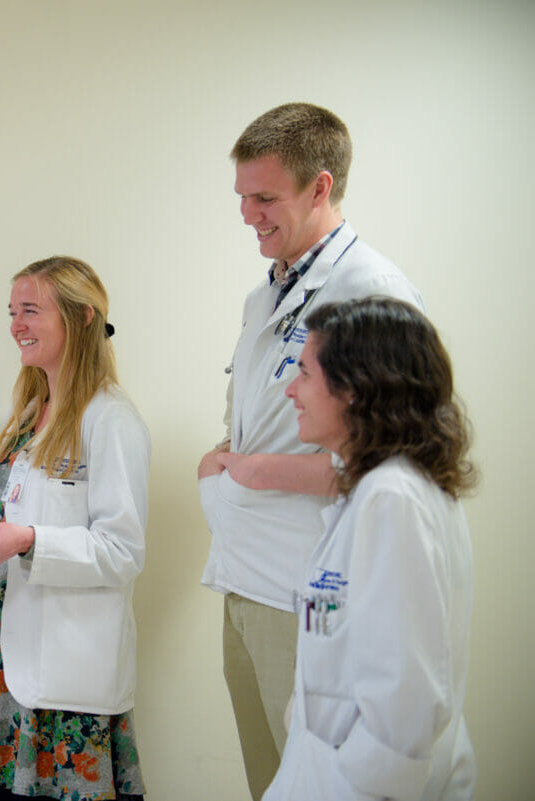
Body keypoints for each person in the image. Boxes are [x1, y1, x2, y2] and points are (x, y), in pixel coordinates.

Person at [196, 102, 424, 800]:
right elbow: (264, 417)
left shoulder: (371, 293)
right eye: (241, 197)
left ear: (320, 187)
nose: (248, 214)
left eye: (265, 197)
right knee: (268, 784)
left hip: (310, 592)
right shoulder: (263, 297)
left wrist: (257, 469)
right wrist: (228, 454)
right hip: (245, 582)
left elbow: (402, 462)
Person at [0, 256, 150, 801]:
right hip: (5, 664)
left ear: (82, 318)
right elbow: (7, 521)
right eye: (12, 311)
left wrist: (33, 542)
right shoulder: (28, 414)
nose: (16, 324)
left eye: (31, 310)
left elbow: (123, 550)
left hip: (66, 678)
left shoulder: (110, 420)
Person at [263, 297, 476, 800]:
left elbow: (406, 696)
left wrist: (358, 779)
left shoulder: (392, 499)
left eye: (305, 374)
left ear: (355, 388)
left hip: (362, 784)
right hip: (330, 766)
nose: (291, 391)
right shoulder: (378, 490)